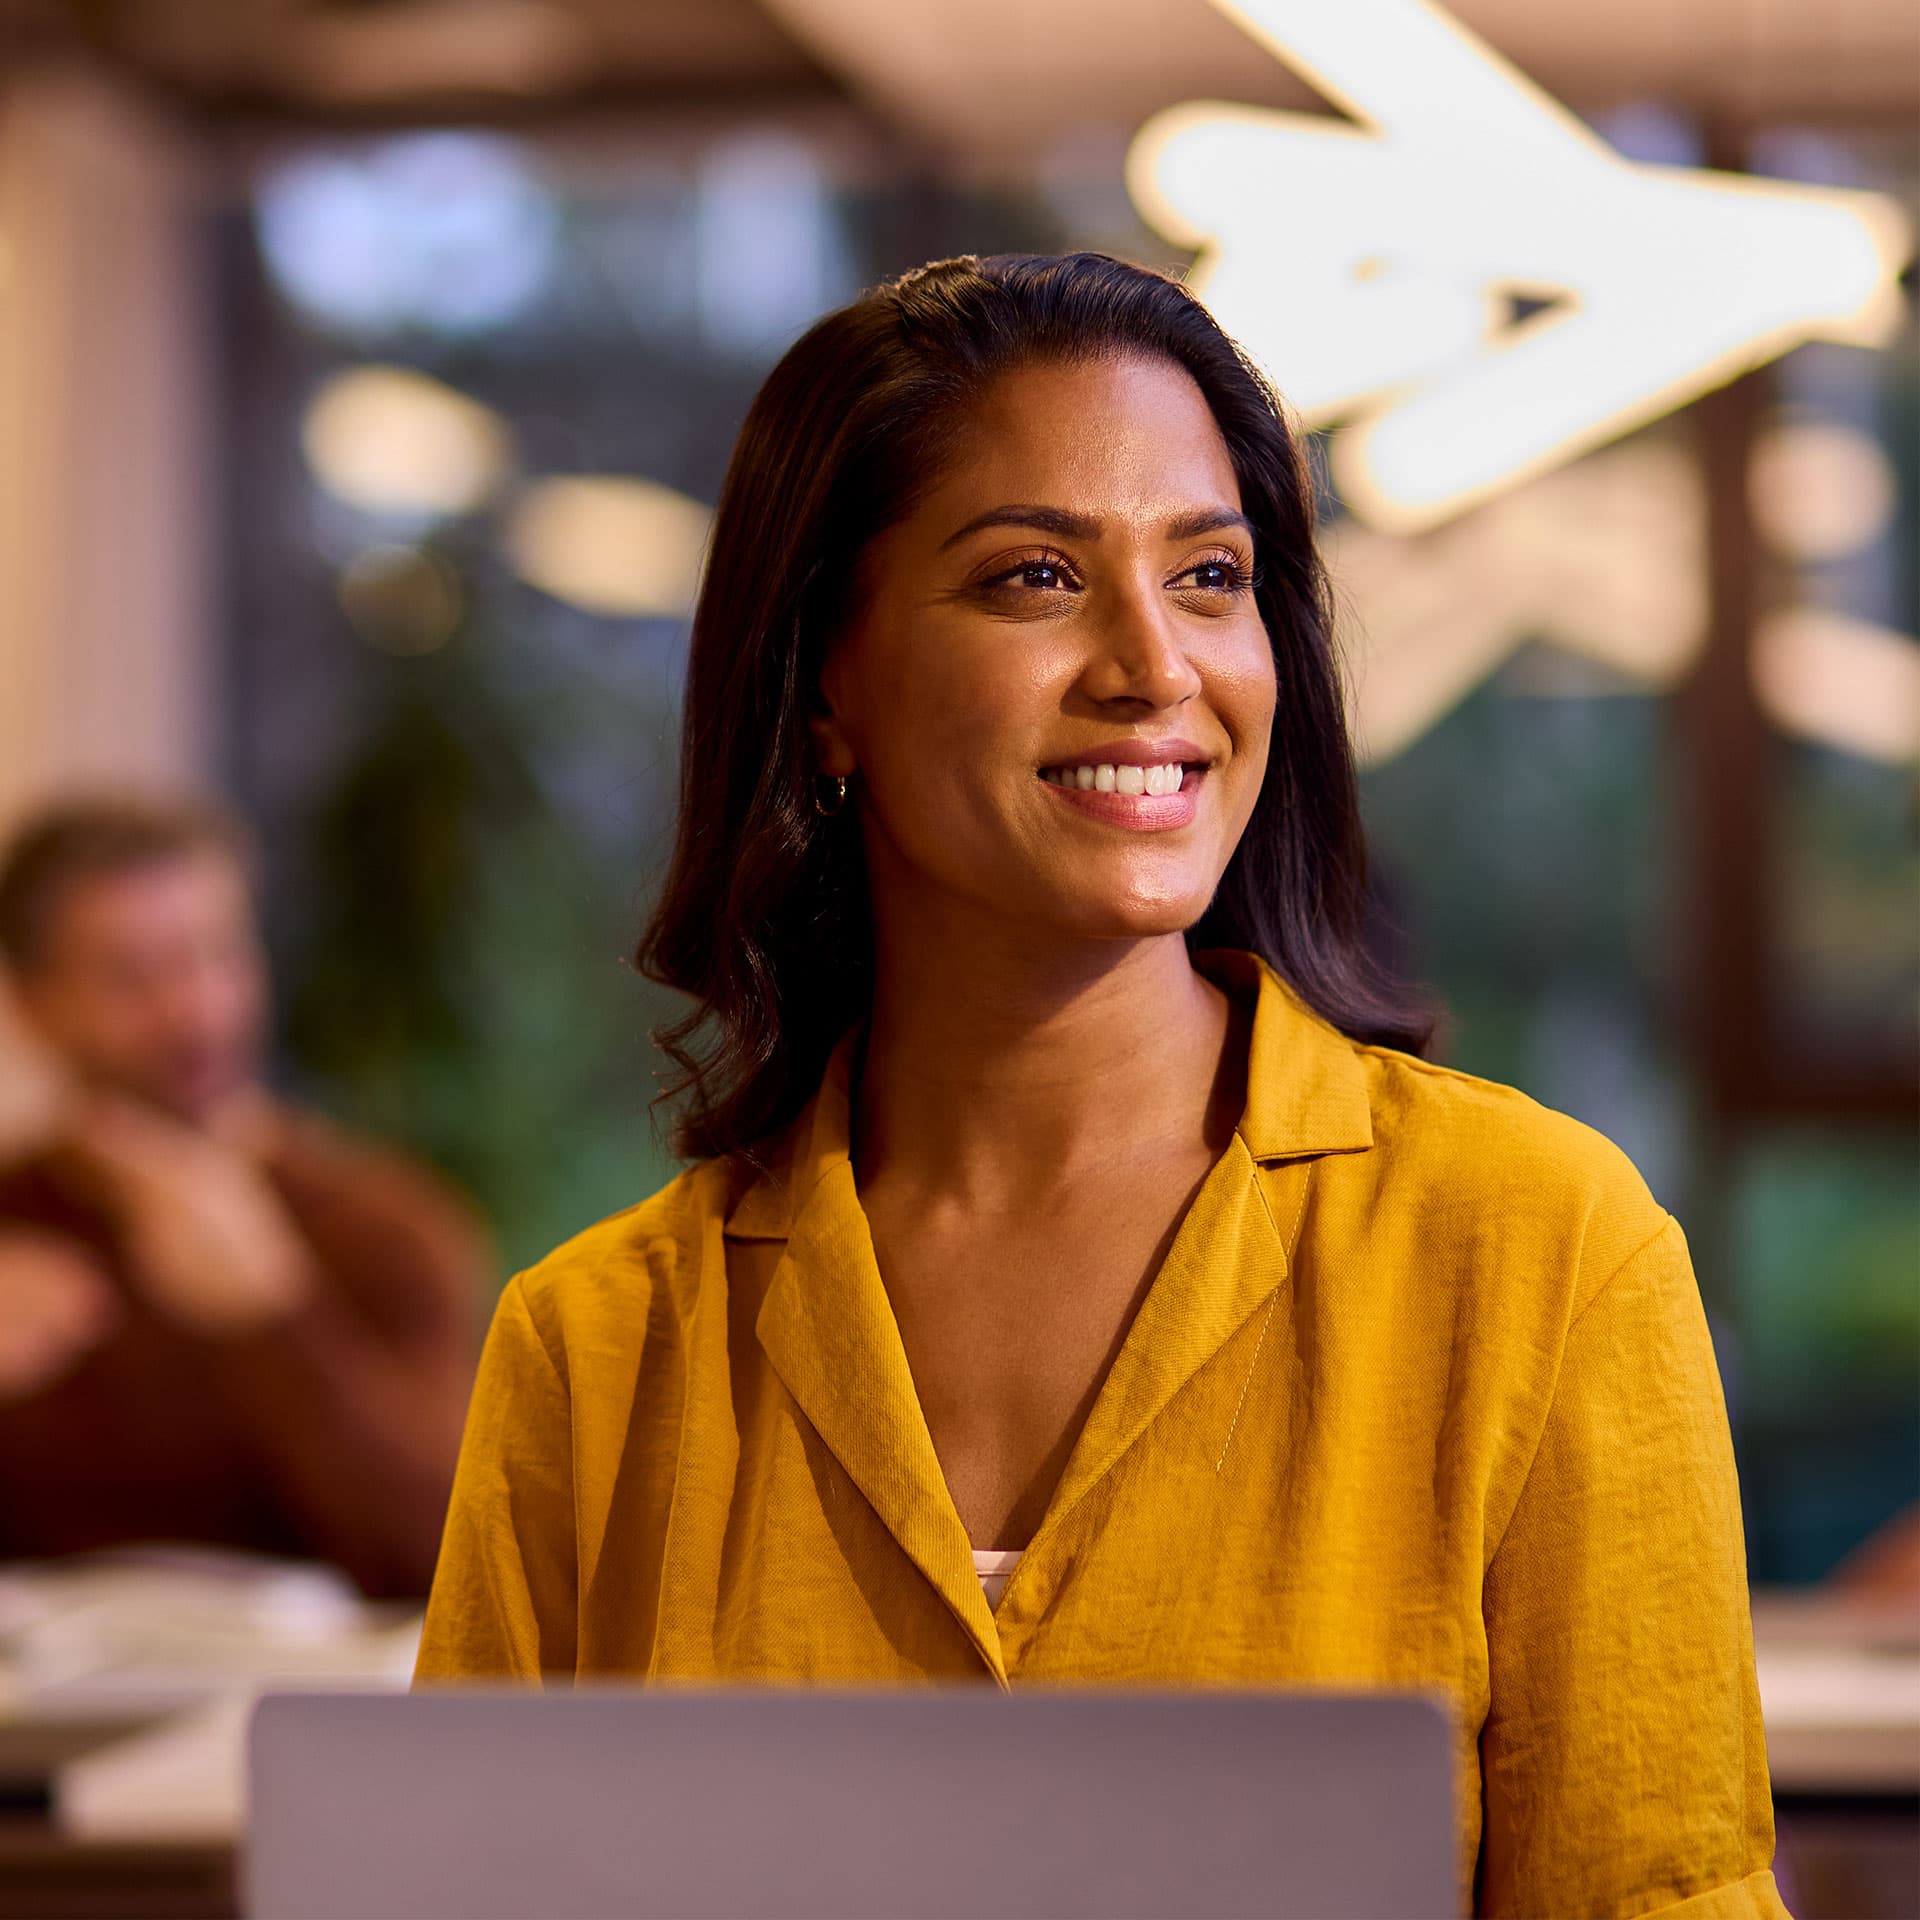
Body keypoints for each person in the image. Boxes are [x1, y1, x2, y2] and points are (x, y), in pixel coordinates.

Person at [415, 254, 1789, 1917]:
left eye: (1210, 575)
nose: (1155, 664)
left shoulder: (1540, 1256)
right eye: (1036, 577)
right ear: (824, 682)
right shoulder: (599, 1357)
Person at [0, 793, 492, 1599]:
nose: (194, 1012)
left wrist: (274, 1315)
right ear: (33, 1005)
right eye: (130, 977)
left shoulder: (381, 1226)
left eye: (214, 956)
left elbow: (449, 1560)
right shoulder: (12, 1223)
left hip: (301, 1717)